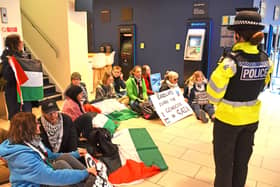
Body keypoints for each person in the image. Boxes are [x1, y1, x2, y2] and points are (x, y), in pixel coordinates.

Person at [207, 8, 273, 187]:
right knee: (242, 163)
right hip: (251, 120)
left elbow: (212, 94)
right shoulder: (266, 60)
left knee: (224, 165)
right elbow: (263, 85)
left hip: (227, 121)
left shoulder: (230, 62)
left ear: (237, 35)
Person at [0, 112, 97, 187]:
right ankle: (90, 179)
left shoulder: (31, 141)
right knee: (60, 165)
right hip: (35, 184)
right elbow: (52, 177)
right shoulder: (23, 156)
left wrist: (75, 153)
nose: (39, 125)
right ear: (29, 128)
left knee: (65, 157)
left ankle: (92, 177)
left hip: (40, 179)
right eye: (36, 123)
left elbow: (50, 156)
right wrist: (83, 173)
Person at [1, 34, 32, 120]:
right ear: (15, 44)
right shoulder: (8, 59)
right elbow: (7, 76)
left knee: (27, 117)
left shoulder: (21, 56)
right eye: (20, 41)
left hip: (23, 92)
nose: (22, 43)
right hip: (14, 93)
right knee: (18, 119)